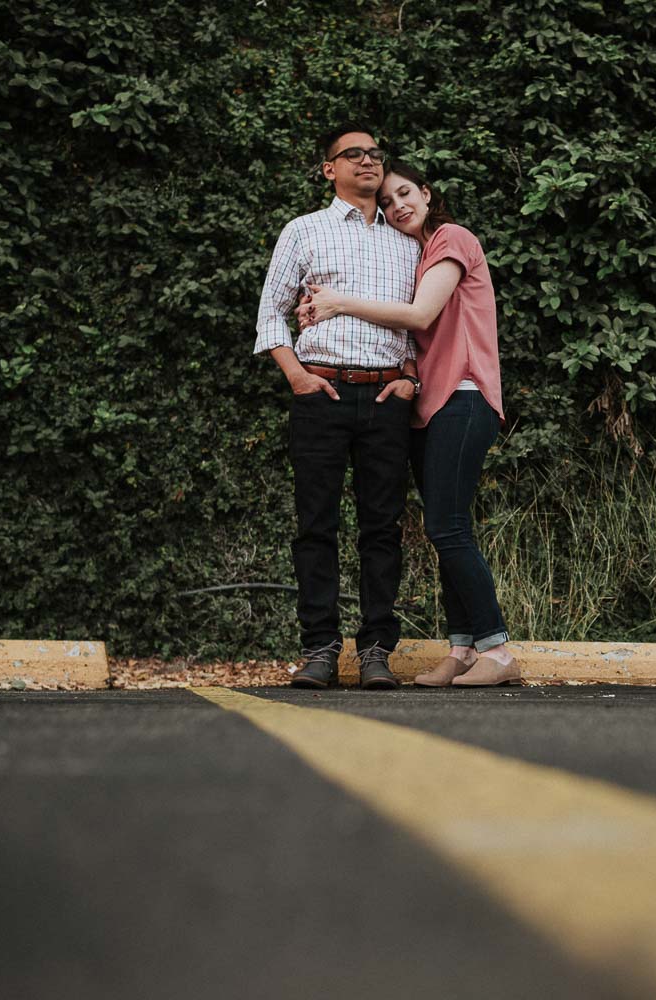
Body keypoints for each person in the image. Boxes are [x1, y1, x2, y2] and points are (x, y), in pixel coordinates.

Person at [298, 160, 520, 687]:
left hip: (464, 398)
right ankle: (463, 648)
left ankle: (498, 648)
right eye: (390, 199)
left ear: (426, 192)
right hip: (429, 405)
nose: (398, 205)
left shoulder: (452, 239)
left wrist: (335, 303)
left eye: (406, 193)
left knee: (449, 527)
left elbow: (420, 317)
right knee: (446, 529)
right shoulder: (417, 256)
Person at [253, 125, 421, 691]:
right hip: (320, 393)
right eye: (355, 155)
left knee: (383, 528)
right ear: (330, 169)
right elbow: (271, 313)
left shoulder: (407, 240)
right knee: (316, 526)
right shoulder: (305, 230)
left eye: (376, 154)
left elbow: (425, 323)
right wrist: (296, 375)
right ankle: (320, 648)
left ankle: (376, 649)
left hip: (385, 398)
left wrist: (410, 378)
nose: (369, 162)